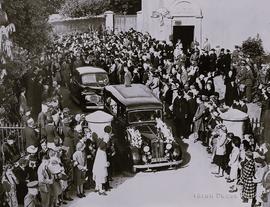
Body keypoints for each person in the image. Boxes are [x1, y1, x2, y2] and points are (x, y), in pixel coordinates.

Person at [92, 129, 110, 196]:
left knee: (97, 172)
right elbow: (103, 146)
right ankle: (100, 189)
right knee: (101, 172)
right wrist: (106, 164)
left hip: (99, 156)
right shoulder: (102, 150)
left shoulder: (99, 148)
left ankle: (97, 187)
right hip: (101, 156)